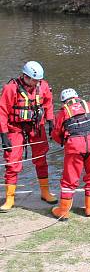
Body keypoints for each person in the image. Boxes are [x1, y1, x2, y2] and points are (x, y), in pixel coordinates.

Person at [0, 61, 56, 212]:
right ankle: (10, 198)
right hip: (14, 127)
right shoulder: (10, 88)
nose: (37, 83)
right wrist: (4, 134)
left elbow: (48, 104)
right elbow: (2, 111)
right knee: (12, 163)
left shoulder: (43, 86)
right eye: (34, 80)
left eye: (38, 80)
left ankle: (45, 192)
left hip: (36, 126)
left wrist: (51, 121)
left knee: (41, 159)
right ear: (25, 76)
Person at [50, 89, 90, 219]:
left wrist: (64, 142)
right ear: (77, 97)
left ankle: (63, 211)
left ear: (64, 101)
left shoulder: (62, 112)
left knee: (69, 180)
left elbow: (56, 133)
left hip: (75, 147)